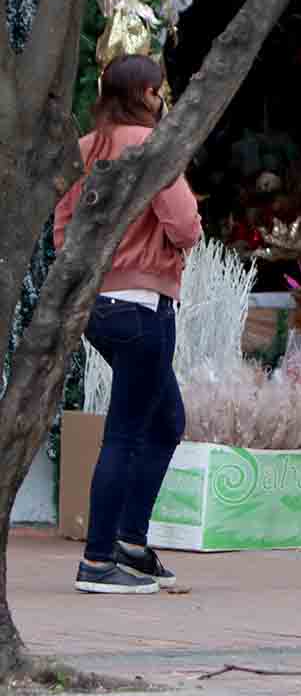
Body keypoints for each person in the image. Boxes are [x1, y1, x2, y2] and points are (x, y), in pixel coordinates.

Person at [54, 54, 202, 594]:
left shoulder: (86, 149)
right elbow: (185, 226)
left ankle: (130, 545)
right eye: (159, 90)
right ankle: (98, 560)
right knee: (127, 433)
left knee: (165, 421)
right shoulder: (150, 146)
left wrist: (93, 266)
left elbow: (63, 224)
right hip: (144, 306)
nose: (163, 99)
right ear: (143, 93)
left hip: (99, 306)